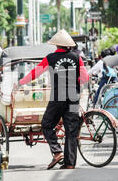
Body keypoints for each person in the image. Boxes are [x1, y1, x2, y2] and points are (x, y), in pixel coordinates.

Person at [15, 30, 90, 169]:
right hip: (73, 97)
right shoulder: (76, 57)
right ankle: (69, 164)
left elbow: (35, 73)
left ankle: (57, 152)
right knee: (71, 130)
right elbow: (85, 78)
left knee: (47, 124)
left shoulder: (50, 58)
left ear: (56, 45)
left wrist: (20, 83)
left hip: (58, 97)